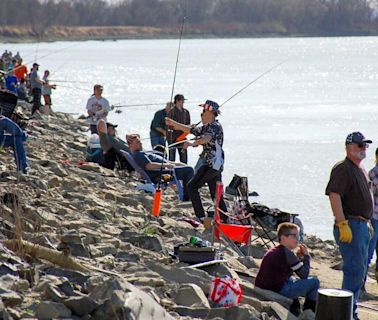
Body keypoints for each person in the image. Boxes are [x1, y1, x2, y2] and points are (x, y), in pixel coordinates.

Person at [325, 131, 373, 320]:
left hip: (361, 224)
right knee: (354, 269)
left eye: (365, 146)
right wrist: (341, 222)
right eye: (360, 145)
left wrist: (366, 221)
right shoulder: (343, 168)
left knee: (360, 269)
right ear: (349, 147)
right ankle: (347, 313)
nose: (364, 149)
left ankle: (349, 310)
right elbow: (334, 194)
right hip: (350, 224)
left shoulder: (360, 168)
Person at [166, 99, 227, 222]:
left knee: (192, 186)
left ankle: (200, 216)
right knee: (215, 194)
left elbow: (206, 138)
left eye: (203, 111)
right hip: (215, 165)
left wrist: (192, 143)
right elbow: (190, 130)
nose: (201, 114)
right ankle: (225, 218)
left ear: (210, 113)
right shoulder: (207, 126)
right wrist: (173, 123)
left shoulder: (215, 126)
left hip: (211, 164)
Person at [255, 222, 319, 315]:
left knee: (292, 279)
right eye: (294, 236)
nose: (298, 239)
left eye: (299, 236)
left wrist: (298, 258)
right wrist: (306, 257)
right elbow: (304, 275)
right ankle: (309, 312)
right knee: (315, 282)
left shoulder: (277, 250)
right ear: (283, 238)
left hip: (266, 285)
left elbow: (289, 270)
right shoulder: (287, 253)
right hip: (278, 289)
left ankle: (295, 308)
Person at [127, 134, 194, 201]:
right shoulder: (138, 155)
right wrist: (166, 165)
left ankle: (187, 195)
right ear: (131, 145)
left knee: (186, 167)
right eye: (137, 142)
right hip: (164, 176)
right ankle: (187, 197)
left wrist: (174, 164)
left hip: (165, 171)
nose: (141, 143)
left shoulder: (139, 153)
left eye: (140, 141)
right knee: (189, 170)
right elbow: (149, 166)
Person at [167, 94, 190, 163]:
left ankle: (184, 172)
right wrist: (182, 128)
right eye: (182, 101)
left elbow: (188, 125)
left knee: (184, 159)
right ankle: (170, 172)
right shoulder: (171, 111)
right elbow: (169, 125)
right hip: (172, 138)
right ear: (177, 101)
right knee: (171, 159)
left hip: (182, 138)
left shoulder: (186, 112)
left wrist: (190, 127)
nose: (183, 102)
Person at [367, 148, 378, 283]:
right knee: (368, 253)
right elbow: (368, 198)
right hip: (374, 218)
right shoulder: (373, 173)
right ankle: (362, 284)